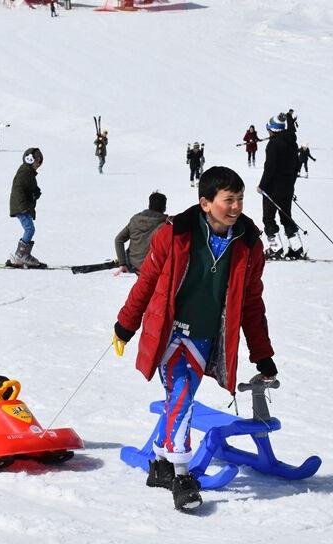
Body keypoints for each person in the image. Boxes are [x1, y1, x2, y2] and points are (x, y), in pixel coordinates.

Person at [112, 166, 277, 511]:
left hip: (206, 338)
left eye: (240, 200)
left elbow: (250, 303)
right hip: (168, 333)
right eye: (228, 200)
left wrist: (261, 354)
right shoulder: (174, 235)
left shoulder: (247, 244)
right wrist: (125, 325)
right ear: (205, 203)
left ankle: (159, 464)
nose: (235, 207)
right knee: (183, 394)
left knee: (178, 395)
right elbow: (145, 283)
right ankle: (182, 473)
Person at [257, 114, 302, 259]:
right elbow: (296, 166)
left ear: (273, 130)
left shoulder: (273, 145)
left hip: (273, 188)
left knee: (268, 218)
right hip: (288, 187)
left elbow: (269, 168)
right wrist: (291, 184)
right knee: (286, 217)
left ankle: (275, 249)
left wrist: (262, 185)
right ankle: (297, 248)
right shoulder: (292, 143)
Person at [7, 148, 46, 269]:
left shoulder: (28, 173)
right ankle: (21, 255)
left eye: (40, 161)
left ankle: (23, 255)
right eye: (37, 161)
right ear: (29, 159)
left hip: (23, 206)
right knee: (29, 229)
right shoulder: (25, 172)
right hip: (21, 206)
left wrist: (35, 192)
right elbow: (18, 189)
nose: (38, 164)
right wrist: (23, 205)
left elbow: (28, 188)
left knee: (29, 229)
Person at [114, 191, 168, 274]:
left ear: (149, 205)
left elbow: (118, 239)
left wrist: (122, 263)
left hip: (134, 264)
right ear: (164, 207)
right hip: (153, 266)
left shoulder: (135, 220)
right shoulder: (165, 225)